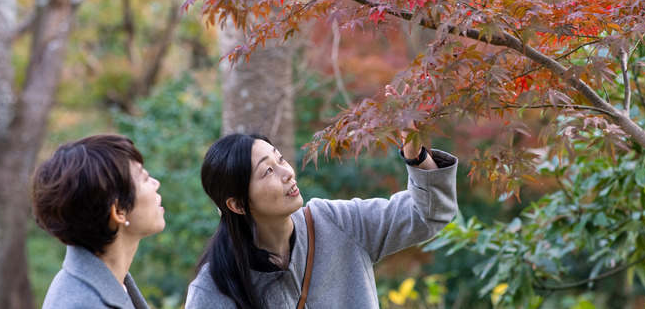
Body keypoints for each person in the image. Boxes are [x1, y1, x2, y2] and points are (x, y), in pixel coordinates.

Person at [185, 131, 458, 308]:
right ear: (237, 204)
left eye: (281, 159)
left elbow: (428, 214)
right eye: (268, 171)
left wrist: (417, 157)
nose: (287, 173)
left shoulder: (335, 222)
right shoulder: (213, 289)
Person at [30, 134, 165, 309]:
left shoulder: (112, 282)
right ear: (118, 212)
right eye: (145, 179)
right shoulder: (81, 303)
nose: (156, 183)